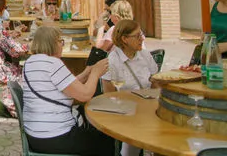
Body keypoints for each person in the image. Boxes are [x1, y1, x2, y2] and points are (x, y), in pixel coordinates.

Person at [21, 26, 114, 156]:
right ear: (52, 43)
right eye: (60, 41)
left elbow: (66, 85)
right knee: (108, 140)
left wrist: (88, 72)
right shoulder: (53, 64)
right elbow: (85, 95)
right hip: (56, 136)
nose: (62, 45)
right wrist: (96, 73)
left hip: (35, 135)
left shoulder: (30, 62)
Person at [102, 19, 157, 156]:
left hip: (148, 106)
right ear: (124, 39)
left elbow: (156, 81)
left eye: (141, 34)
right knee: (137, 129)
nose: (142, 39)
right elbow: (108, 95)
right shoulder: (112, 60)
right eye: (137, 36)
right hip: (125, 110)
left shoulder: (145, 55)